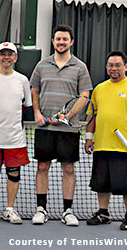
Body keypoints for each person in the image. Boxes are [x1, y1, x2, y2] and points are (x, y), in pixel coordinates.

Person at [29, 25, 93, 226]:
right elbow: (34, 90)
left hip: (68, 130)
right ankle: (41, 209)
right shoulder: (41, 65)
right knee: (42, 167)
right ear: (53, 41)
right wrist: (37, 113)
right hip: (45, 128)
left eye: (65, 39)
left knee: (68, 169)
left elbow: (85, 96)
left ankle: (67, 211)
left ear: (71, 42)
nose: (61, 42)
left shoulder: (80, 67)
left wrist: (68, 115)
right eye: (58, 39)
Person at [84, 51, 127, 230]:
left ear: (126, 67)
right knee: (102, 183)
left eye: (118, 65)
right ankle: (103, 213)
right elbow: (93, 116)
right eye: (110, 65)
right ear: (107, 67)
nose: (114, 68)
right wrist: (89, 138)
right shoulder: (99, 89)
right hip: (101, 145)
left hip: (124, 148)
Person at [0, 42, 31, 224]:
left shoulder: (22, 80)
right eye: (2, 54)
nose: (6, 57)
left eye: (10, 54)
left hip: (15, 139)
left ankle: (10, 209)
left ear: (15, 58)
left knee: (14, 175)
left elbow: (26, 106)